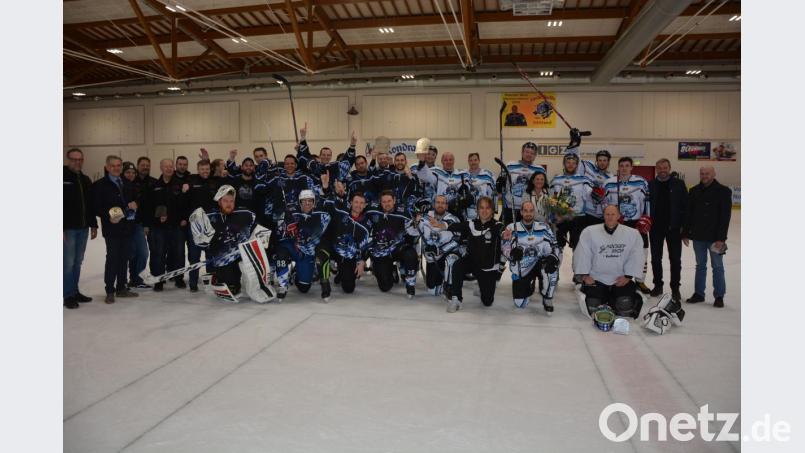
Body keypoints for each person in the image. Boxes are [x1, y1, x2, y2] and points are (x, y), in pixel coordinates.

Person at [188, 185, 273, 302]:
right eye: (225, 201)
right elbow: (202, 244)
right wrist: (203, 240)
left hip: (243, 254)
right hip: (223, 259)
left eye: (231, 201)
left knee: (252, 269)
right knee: (232, 288)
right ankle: (219, 277)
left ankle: (257, 286)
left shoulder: (245, 214)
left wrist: (260, 241)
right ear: (219, 202)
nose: (229, 204)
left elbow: (259, 230)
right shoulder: (209, 217)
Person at [573, 204, 645, 319]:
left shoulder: (632, 234)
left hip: (620, 279)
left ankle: (613, 299)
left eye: (613, 214)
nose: (610, 217)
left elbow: (636, 255)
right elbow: (582, 253)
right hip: (596, 279)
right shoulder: (589, 232)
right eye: (607, 214)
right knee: (593, 306)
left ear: (618, 216)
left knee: (624, 306)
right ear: (603, 216)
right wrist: (585, 276)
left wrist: (628, 276)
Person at [682, 166, 732, 308]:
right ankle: (699, 294)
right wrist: (685, 233)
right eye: (702, 173)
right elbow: (689, 214)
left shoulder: (723, 191)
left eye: (707, 173)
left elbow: (725, 217)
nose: (704, 176)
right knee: (700, 266)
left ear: (714, 174)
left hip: (716, 238)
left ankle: (719, 296)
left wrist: (721, 238)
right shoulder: (694, 191)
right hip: (698, 236)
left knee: (717, 266)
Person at [93, 155, 139, 303]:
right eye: (113, 166)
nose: (116, 168)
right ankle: (110, 291)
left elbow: (135, 199)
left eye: (119, 165)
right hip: (112, 229)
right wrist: (109, 216)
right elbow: (96, 206)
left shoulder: (127, 183)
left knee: (124, 259)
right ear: (107, 167)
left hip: (127, 227)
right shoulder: (100, 185)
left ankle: (121, 288)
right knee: (113, 259)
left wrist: (136, 204)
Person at [603, 157, 652, 294]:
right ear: (618, 167)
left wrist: (646, 218)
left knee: (642, 252)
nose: (624, 168)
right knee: (618, 252)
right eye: (621, 166)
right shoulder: (609, 183)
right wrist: (607, 220)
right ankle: (619, 278)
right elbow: (604, 203)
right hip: (617, 223)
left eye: (627, 165)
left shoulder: (641, 182)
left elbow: (647, 201)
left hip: (636, 223)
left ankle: (640, 280)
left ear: (631, 167)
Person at [501, 200, 560, 315]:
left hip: (541, 263)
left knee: (552, 268)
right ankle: (530, 284)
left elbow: (555, 245)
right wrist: (512, 254)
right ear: (521, 212)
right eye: (525, 211)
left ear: (534, 212)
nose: (528, 213)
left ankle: (547, 297)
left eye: (531, 211)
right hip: (523, 268)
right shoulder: (511, 227)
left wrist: (553, 256)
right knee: (520, 304)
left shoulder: (543, 227)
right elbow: (504, 247)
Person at [271, 189, 332, 300]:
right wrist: (286, 229)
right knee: (281, 251)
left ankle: (296, 273)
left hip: (308, 252)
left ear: (314, 202)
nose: (307, 203)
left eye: (310, 201)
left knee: (304, 288)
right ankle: (282, 285)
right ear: (300, 202)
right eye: (304, 201)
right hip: (294, 247)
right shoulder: (290, 212)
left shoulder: (322, 215)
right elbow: (279, 233)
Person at [448, 196, 506, 308]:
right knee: (457, 265)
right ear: (477, 210)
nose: (484, 211)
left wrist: (505, 234)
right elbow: (454, 226)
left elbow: (502, 232)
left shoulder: (498, 225)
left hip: (488, 268)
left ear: (492, 210)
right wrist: (441, 225)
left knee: (487, 302)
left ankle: (482, 285)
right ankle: (456, 298)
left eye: (487, 208)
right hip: (472, 262)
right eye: (481, 208)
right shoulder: (471, 223)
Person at [412, 195, 464, 310]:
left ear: (447, 206)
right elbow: (413, 232)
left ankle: (450, 286)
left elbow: (457, 241)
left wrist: (441, 250)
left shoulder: (453, 219)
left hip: (446, 254)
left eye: (443, 203)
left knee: (451, 259)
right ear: (434, 204)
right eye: (438, 202)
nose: (440, 205)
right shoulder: (424, 218)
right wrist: (415, 221)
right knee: (433, 291)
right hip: (433, 259)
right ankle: (441, 281)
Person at [318, 185, 372, 295]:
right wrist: (327, 189)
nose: (358, 205)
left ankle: (341, 273)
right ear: (351, 202)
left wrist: (362, 261)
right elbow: (328, 204)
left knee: (349, 288)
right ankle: (324, 282)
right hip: (333, 248)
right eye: (356, 202)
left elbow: (367, 245)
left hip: (347, 256)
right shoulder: (341, 212)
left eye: (361, 203)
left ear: (365, 205)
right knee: (322, 251)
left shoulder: (367, 225)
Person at [364, 191, 419, 297]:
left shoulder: (404, 212)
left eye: (389, 201)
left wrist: (417, 222)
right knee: (385, 287)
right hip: (381, 251)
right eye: (384, 202)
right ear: (380, 202)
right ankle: (392, 270)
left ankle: (410, 284)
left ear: (394, 201)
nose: (387, 204)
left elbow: (414, 231)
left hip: (399, 248)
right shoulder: (371, 210)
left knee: (410, 254)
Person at [143, 158, 187, 291]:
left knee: (179, 254)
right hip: (159, 228)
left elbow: (186, 204)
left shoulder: (180, 185)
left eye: (170, 166)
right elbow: (147, 207)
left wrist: (185, 218)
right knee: (158, 254)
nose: (168, 169)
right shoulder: (153, 186)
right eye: (166, 166)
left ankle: (179, 279)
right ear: (161, 168)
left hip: (177, 226)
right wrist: (150, 223)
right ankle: (159, 281)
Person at [648, 158, 688, 301]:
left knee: (675, 260)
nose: (662, 170)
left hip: (674, 228)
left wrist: (684, 228)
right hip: (655, 228)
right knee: (655, 259)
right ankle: (658, 285)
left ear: (669, 168)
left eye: (665, 167)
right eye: (660, 168)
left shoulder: (679, 184)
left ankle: (675, 288)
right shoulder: (651, 184)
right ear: (656, 169)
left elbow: (686, 207)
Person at [63, 148, 98, 309]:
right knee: (68, 263)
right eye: (74, 159)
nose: (77, 162)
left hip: (83, 228)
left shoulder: (85, 179)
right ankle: (67, 295)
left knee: (77, 262)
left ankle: (74, 291)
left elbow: (90, 205)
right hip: (68, 229)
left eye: (80, 159)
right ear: (68, 159)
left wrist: (93, 224)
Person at [185, 159, 221, 292]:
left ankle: (211, 282)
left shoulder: (215, 182)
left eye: (207, 169)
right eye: (202, 169)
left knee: (210, 255)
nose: (205, 171)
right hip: (196, 224)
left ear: (210, 169)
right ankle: (193, 283)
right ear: (198, 170)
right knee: (194, 255)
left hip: (211, 224)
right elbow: (185, 202)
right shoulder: (191, 181)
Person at [549, 153, 593, 252]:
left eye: (573, 163)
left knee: (578, 248)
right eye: (568, 162)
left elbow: (590, 196)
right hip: (561, 218)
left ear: (577, 165)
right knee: (557, 246)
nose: (570, 165)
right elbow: (552, 199)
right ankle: (556, 261)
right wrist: (553, 216)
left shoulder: (584, 179)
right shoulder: (556, 179)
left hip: (578, 218)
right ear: (564, 163)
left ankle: (577, 263)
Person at [497, 142, 546, 225]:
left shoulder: (540, 169)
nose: (529, 154)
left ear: (535, 155)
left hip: (529, 210)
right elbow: (500, 185)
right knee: (507, 231)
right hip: (510, 208)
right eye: (527, 152)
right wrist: (500, 186)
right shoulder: (510, 166)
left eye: (532, 153)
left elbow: (544, 189)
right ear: (522, 152)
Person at [415, 151, 472, 219]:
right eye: (445, 160)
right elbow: (424, 175)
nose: (448, 162)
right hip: (440, 211)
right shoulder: (436, 172)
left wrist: (466, 191)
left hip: (457, 212)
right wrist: (422, 162)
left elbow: (468, 191)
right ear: (442, 161)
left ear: (454, 161)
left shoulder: (462, 174)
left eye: (450, 160)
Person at [122, 162, 150, 290]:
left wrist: (145, 224)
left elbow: (143, 205)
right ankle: (131, 279)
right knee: (131, 253)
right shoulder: (120, 186)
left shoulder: (137, 186)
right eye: (128, 172)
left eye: (133, 173)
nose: (131, 175)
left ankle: (138, 278)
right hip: (124, 226)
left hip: (137, 224)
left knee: (143, 253)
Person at [465, 153, 497, 220]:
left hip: (485, 212)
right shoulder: (464, 175)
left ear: (479, 160)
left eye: (475, 160)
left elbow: (495, 192)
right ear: (468, 161)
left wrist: (495, 210)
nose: (473, 162)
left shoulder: (487, 175)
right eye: (471, 160)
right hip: (469, 213)